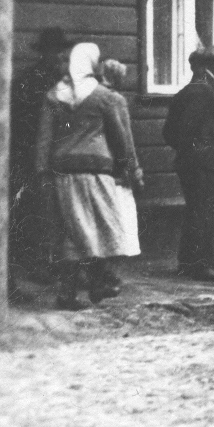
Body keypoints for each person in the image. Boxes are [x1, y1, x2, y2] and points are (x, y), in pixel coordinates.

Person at [36, 43, 142, 310]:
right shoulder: (104, 96)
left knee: (73, 232)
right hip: (96, 171)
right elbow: (122, 139)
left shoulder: (54, 95)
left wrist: (42, 171)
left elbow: (44, 139)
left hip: (62, 172)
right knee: (105, 226)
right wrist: (131, 170)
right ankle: (101, 281)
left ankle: (68, 294)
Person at [163, 44, 214, 281]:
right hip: (201, 164)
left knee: (199, 212)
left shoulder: (202, 88)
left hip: (201, 162)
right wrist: (198, 152)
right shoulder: (201, 90)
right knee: (203, 213)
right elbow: (181, 130)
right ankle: (202, 266)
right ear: (211, 65)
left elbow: (172, 133)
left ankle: (190, 263)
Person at [11, 27, 76, 283]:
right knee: (33, 211)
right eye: (55, 52)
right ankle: (34, 264)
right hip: (30, 155)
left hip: (58, 156)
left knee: (57, 213)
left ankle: (53, 265)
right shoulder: (29, 80)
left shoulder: (65, 81)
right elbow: (21, 121)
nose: (59, 56)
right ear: (44, 53)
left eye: (61, 52)